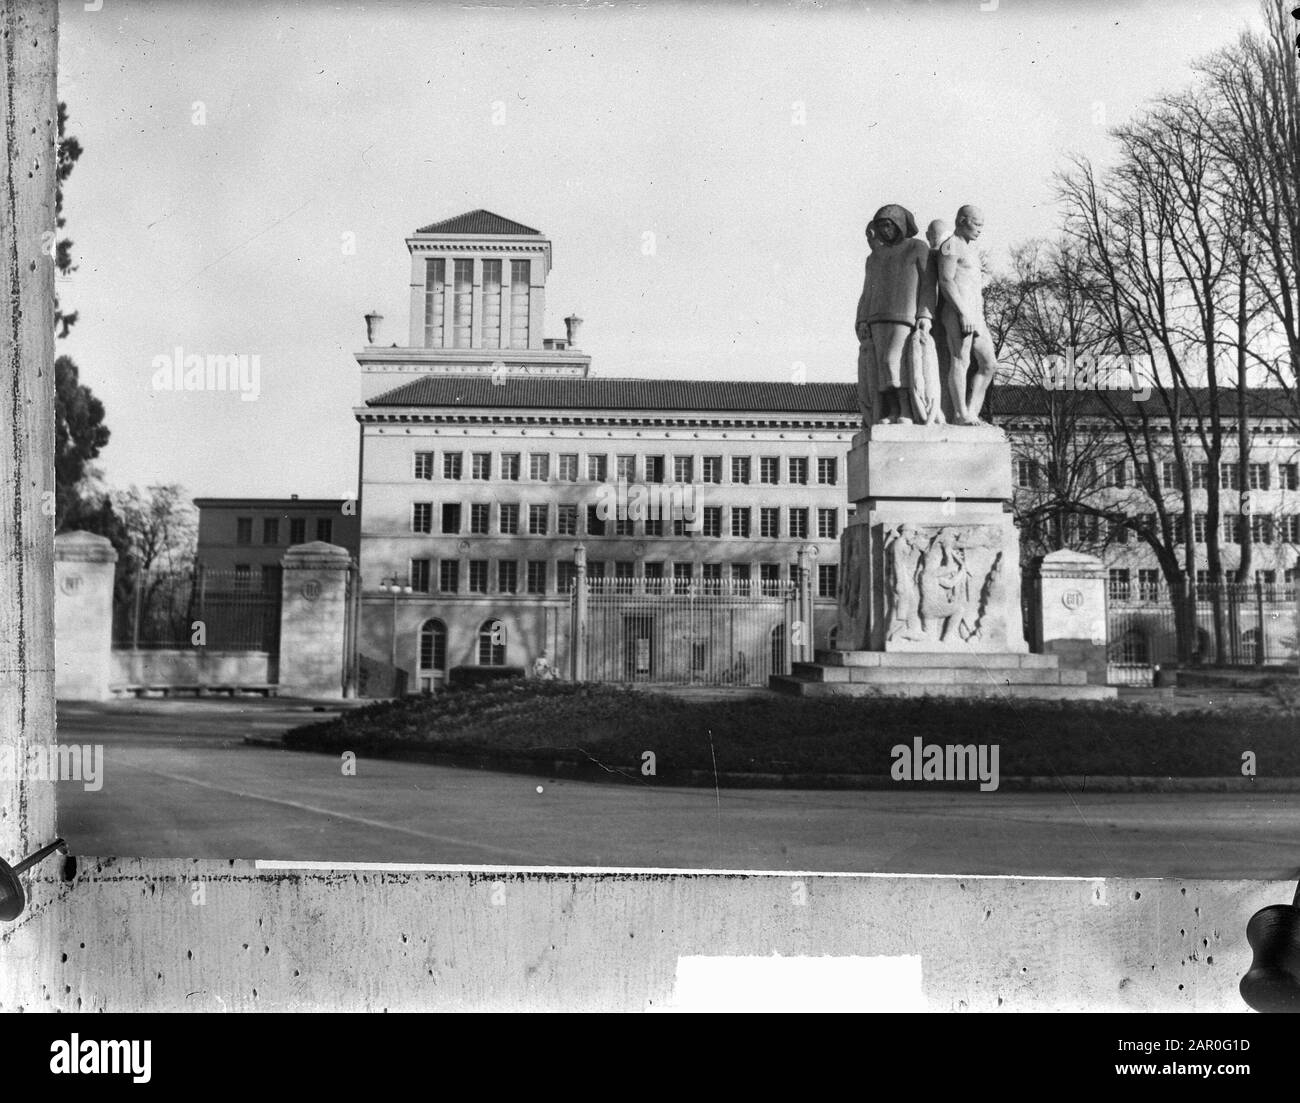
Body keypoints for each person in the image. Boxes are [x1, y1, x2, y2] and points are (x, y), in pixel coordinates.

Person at [855, 204, 935, 425]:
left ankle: (907, 410)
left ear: (899, 224)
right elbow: (867, 290)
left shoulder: (917, 247)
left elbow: (928, 284)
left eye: (888, 225)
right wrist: (862, 319)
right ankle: (891, 411)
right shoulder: (874, 257)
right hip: (876, 318)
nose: (885, 231)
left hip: (905, 317)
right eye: (881, 227)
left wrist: (925, 314)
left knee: (895, 362)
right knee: (881, 366)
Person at [937, 205, 1000, 425]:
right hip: (957, 311)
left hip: (976, 314)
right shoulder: (950, 246)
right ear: (962, 221)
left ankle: (971, 412)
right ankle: (960, 413)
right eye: (977, 224)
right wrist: (962, 312)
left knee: (989, 364)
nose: (980, 229)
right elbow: (946, 281)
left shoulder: (970, 249)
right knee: (960, 360)